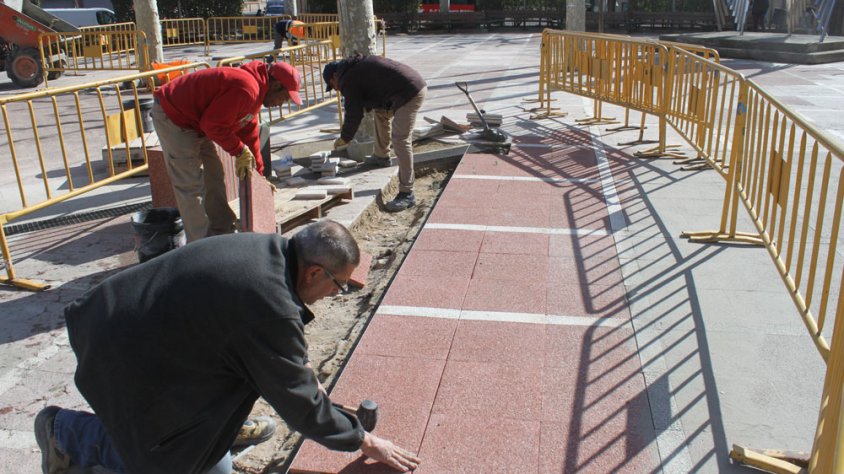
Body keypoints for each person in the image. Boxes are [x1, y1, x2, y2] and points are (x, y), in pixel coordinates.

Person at [33, 220, 421, 474]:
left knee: (215, 453)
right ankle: (65, 433)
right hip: (123, 350)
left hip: (140, 330)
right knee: (176, 463)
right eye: (336, 287)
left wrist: (300, 371)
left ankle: (218, 429)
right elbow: (301, 408)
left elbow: (275, 347)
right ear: (314, 272)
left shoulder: (271, 252)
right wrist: (364, 440)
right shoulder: (268, 306)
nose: (333, 295)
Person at [151, 61, 302, 242]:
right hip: (173, 115)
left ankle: (222, 231)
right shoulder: (247, 88)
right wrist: (238, 150)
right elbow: (213, 125)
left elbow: (249, 133)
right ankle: (200, 245)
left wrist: (260, 176)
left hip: (196, 121)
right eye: (284, 98)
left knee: (214, 174)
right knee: (190, 184)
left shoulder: (255, 91)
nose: (281, 104)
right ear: (276, 85)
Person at [323, 55, 427, 213]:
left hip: (409, 93)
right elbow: (369, 94)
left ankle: (407, 193)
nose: (336, 89)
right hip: (406, 87)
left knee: (400, 140)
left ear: (335, 76)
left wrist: (345, 138)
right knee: (381, 113)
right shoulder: (353, 70)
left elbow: (353, 113)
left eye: (332, 85)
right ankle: (381, 156)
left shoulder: (347, 79)